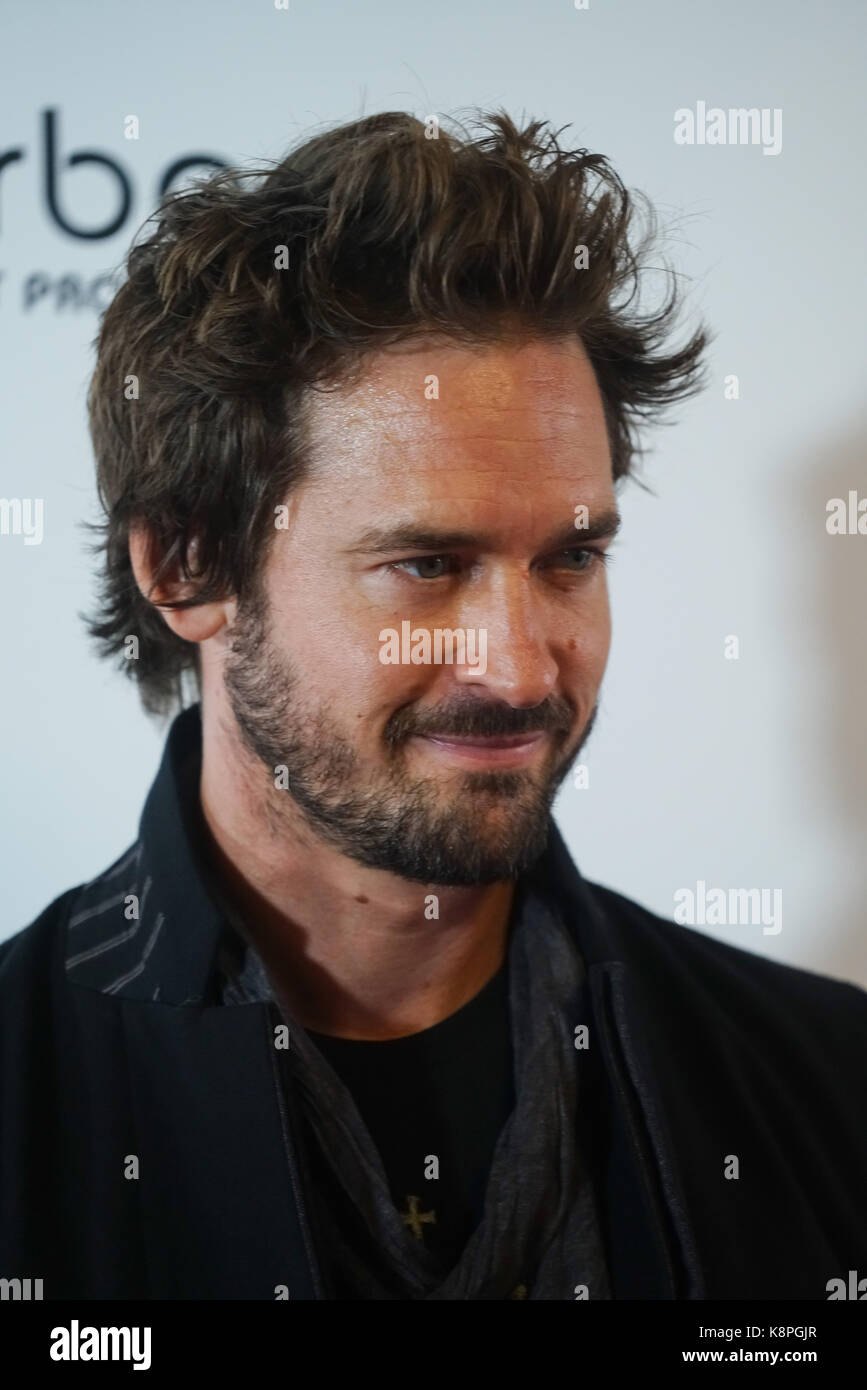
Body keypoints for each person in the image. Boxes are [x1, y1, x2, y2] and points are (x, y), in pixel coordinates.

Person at [1, 109, 864, 1302]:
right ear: (188, 569)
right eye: (427, 565)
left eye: (569, 560)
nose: (518, 668)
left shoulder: (826, 1079)